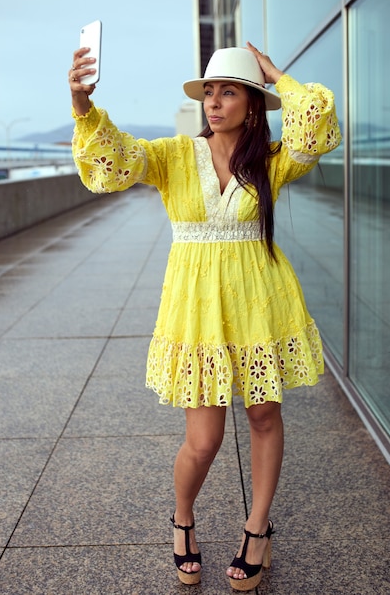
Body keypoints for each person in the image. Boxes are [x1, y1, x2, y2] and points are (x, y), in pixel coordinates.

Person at [69, 41, 341, 591]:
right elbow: (115, 160)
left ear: (252, 103)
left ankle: (257, 529)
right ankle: (183, 518)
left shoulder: (270, 161)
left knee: (264, 416)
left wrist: (274, 75)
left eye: (229, 91)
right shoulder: (174, 157)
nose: (214, 102)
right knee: (203, 440)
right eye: (209, 92)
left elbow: (317, 124)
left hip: (261, 303)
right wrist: (81, 104)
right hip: (196, 313)